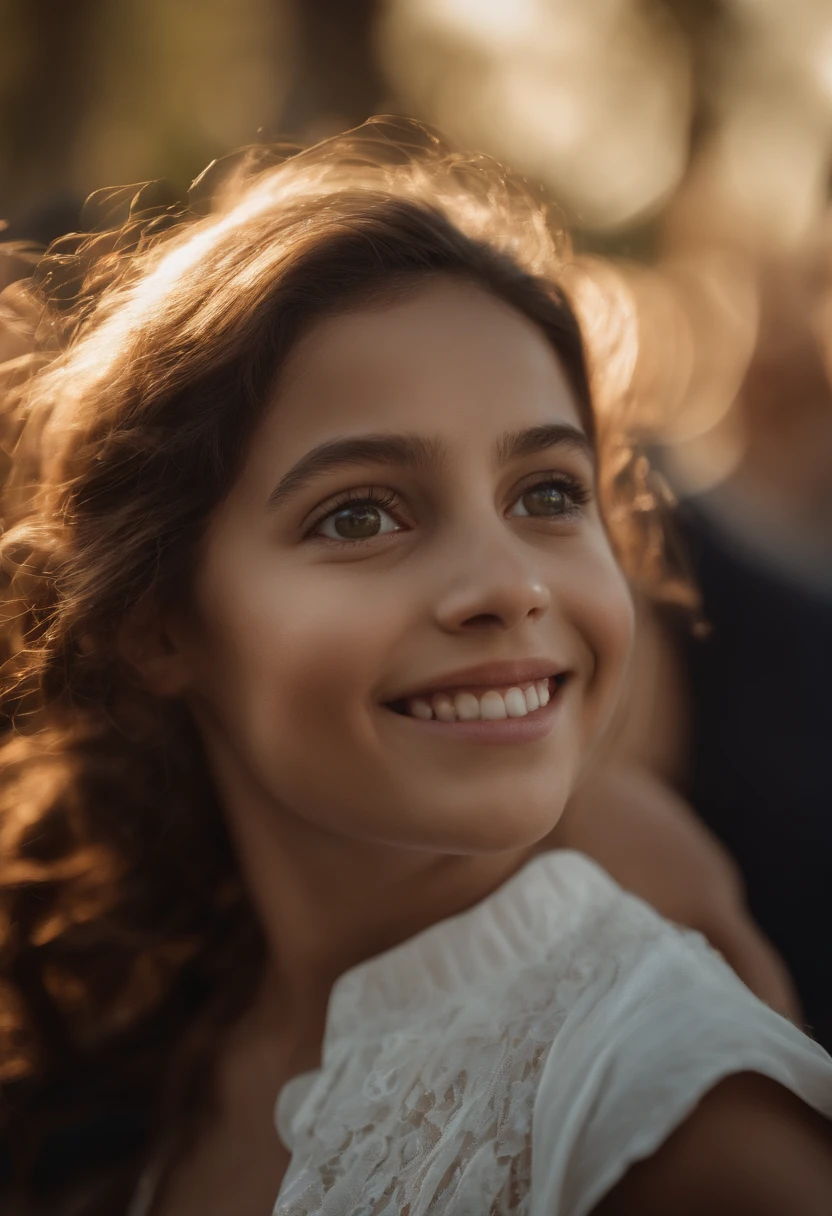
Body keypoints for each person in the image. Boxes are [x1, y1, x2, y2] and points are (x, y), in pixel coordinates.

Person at [0, 119, 830, 1216]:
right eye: (360, 514)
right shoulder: (150, 1046)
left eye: (546, 493)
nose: (508, 584)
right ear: (157, 622)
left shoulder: (674, 1126)